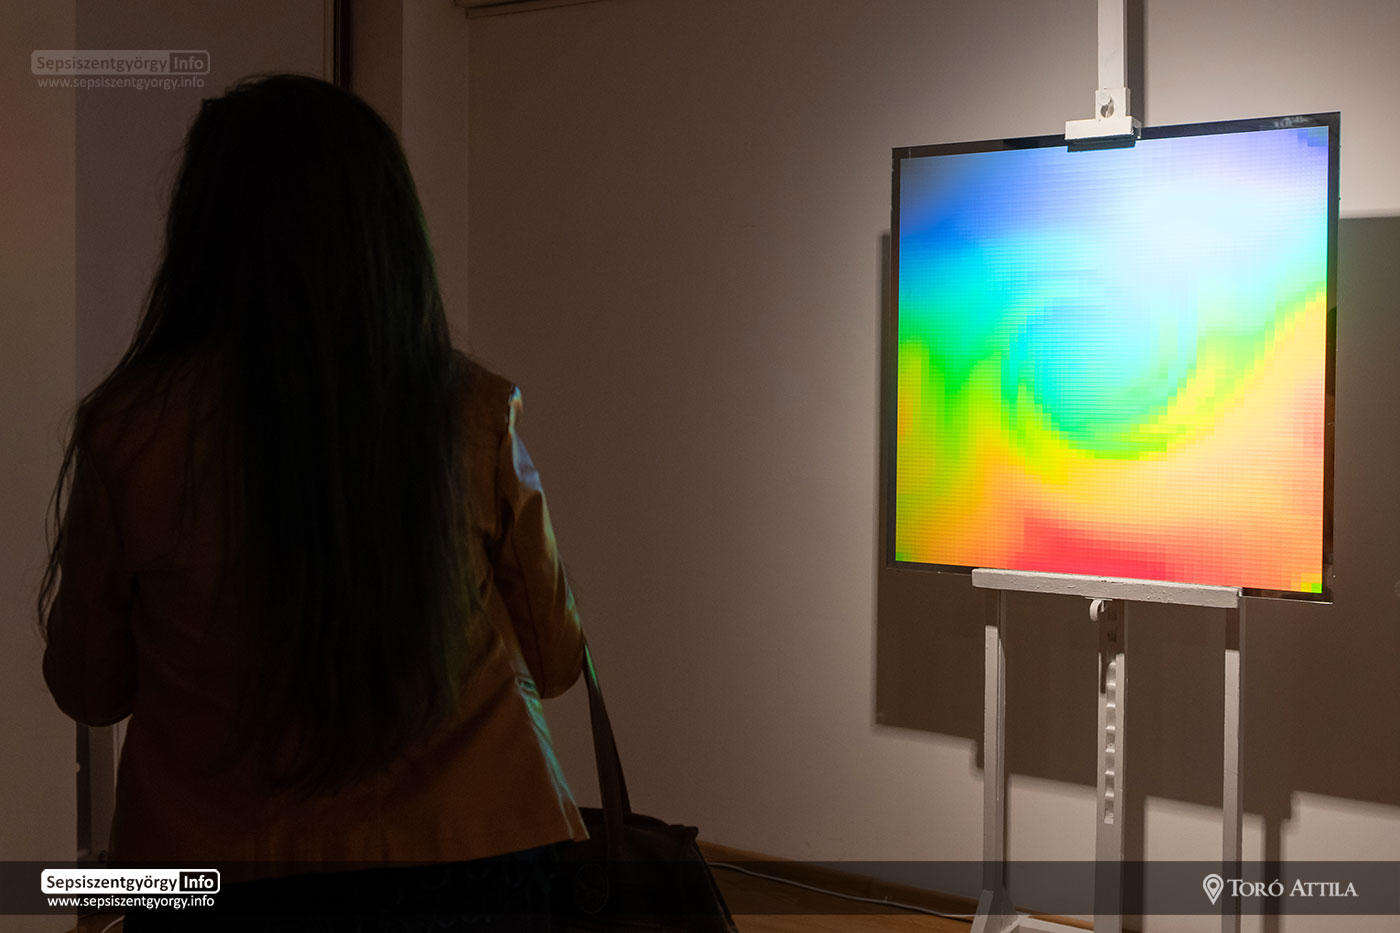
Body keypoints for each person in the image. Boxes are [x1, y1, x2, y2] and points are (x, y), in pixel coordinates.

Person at [39, 73, 587, 930]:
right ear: (387, 232)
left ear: (205, 235)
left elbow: (89, 688)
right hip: (473, 857)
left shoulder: (129, 432)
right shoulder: (471, 413)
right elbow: (556, 659)